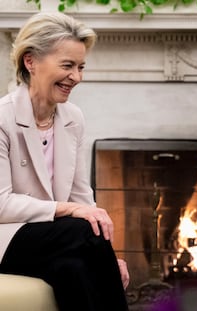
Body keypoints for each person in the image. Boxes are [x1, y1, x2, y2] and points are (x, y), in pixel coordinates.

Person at [0, 12, 130, 310]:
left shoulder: (73, 118)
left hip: (53, 243)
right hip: (5, 237)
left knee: (74, 271)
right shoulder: (2, 118)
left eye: (81, 67)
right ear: (30, 61)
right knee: (81, 227)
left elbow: (83, 196)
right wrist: (68, 209)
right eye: (67, 65)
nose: (77, 77)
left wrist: (109, 258)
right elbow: (1, 204)